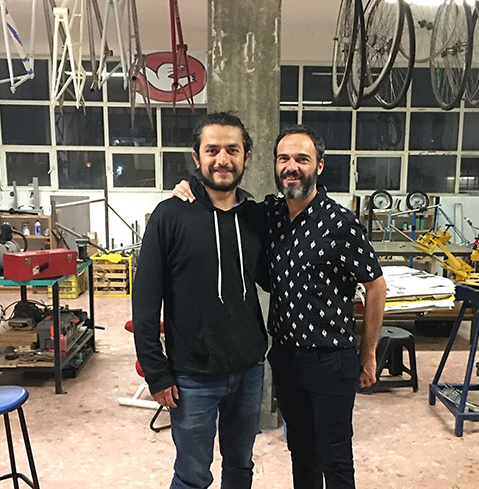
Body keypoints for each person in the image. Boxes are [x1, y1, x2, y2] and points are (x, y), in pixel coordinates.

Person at [173, 124, 387, 489]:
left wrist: (368, 353)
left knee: (334, 456)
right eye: (284, 158)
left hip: (330, 360)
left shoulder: (341, 223)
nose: (291, 167)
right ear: (274, 165)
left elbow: (376, 287)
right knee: (300, 449)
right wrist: (190, 186)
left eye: (302, 159)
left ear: (319, 166)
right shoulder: (269, 215)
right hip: (286, 357)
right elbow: (224, 198)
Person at [132, 112, 269, 489]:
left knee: (241, 466)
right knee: (192, 474)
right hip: (191, 376)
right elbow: (145, 302)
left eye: (232, 150)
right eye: (212, 150)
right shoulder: (170, 215)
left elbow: (274, 277)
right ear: (197, 157)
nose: (222, 159)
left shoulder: (256, 217)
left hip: (248, 369)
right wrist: (156, 371)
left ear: (247, 157)